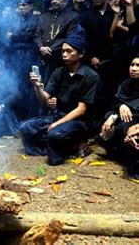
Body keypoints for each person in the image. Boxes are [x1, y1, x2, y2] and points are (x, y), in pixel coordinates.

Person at [18, 27, 101, 165]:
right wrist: (37, 86)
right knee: (25, 127)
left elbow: (81, 110)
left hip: (80, 122)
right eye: (63, 51)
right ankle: (70, 148)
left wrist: (56, 124)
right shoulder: (59, 71)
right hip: (58, 115)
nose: (64, 54)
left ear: (81, 54)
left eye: (69, 51)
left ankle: (72, 146)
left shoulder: (91, 76)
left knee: (54, 135)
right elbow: (43, 98)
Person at [99, 56, 139, 178]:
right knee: (108, 118)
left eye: (138, 66)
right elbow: (115, 102)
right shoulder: (126, 84)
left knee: (127, 129)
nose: (134, 69)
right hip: (127, 119)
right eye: (132, 65)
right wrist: (121, 106)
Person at [34, 0, 79, 83]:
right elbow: (37, 35)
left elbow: (70, 37)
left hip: (60, 59)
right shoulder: (44, 16)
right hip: (42, 58)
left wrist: (51, 49)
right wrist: (41, 47)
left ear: (65, 1)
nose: (54, 1)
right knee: (40, 84)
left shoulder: (73, 16)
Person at [6, 0, 39, 120]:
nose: (21, 7)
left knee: (28, 87)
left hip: (28, 56)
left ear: (30, 6)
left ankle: (29, 118)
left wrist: (14, 35)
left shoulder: (35, 19)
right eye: (19, 5)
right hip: (14, 57)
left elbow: (27, 35)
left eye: (24, 5)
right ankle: (17, 118)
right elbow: (7, 35)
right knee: (15, 86)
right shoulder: (14, 19)